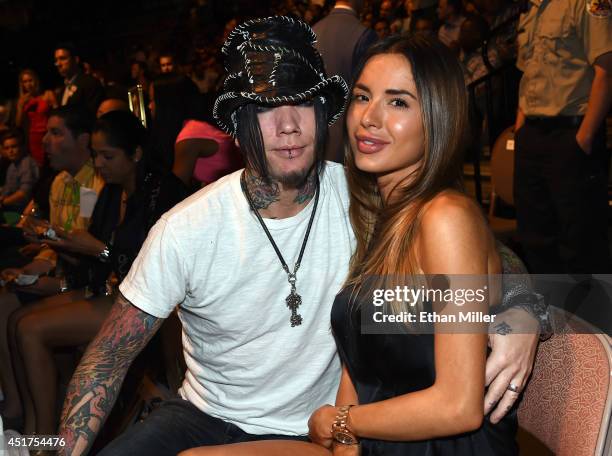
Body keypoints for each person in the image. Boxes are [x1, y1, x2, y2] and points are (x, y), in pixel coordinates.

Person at [57, 17, 540, 456]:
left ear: (323, 111)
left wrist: (523, 310)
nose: (289, 127)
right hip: (204, 416)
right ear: (241, 126)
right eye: (268, 110)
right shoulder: (186, 228)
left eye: (302, 104)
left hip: (315, 429)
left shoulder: (366, 200)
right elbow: (105, 360)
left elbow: (488, 255)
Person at [178, 33, 528, 456]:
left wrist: (341, 421)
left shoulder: (445, 217)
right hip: (376, 440)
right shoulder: (377, 214)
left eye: (398, 102)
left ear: (437, 117)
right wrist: (343, 438)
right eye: (363, 97)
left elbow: (459, 406)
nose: (369, 118)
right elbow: (359, 361)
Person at [7, 110, 188, 436]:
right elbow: (93, 263)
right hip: (110, 290)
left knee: (32, 329)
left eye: (107, 156)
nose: (99, 164)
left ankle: (46, 440)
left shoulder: (161, 192)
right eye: (96, 156)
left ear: (135, 154)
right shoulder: (107, 191)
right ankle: (33, 428)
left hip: (146, 304)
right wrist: (58, 243)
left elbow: (154, 269)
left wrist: (97, 250)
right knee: (18, 320)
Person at [513, 0, 612, 273]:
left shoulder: (586, 4)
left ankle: (589, 314)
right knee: (534, 232)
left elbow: (606, 70)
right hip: (532, 131)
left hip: (570, 132)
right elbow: (528, 73)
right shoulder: (531, 7)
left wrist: (584, 136)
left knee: (580, 234)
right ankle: (546, 310)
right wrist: (521, 126)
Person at [313, 0, 378, 163]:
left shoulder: (313, 30)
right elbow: (369, 90)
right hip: (345, 136)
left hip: (312, 128)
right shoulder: (364, 35)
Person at [14, 69, 58, 167]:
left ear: (36, 81)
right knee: (38, 166)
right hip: (33, 138)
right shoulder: (22, 101)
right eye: (25, 82)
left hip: (48, 134)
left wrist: (53, 103)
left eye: (30, 80)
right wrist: (20, 106)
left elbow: (59, 114)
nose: (28, 84)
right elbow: (18, 124)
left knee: (53, 164)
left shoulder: (47, 94)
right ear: (22, 85)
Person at [55, 43, 104, 116]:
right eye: (56, 60)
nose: (58, 64)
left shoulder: (89, 83)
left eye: (63, 58)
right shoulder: (62, 89)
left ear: (75, 59)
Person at [0, 131, 39, 215]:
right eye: (7, 148)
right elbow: (8, 188)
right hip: (12, 209)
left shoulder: (26, 163)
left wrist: (3, 202)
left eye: (13, 146)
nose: (10, 151)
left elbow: (24, 193)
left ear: (22, 147)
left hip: (23, 212)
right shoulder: (12, 166)